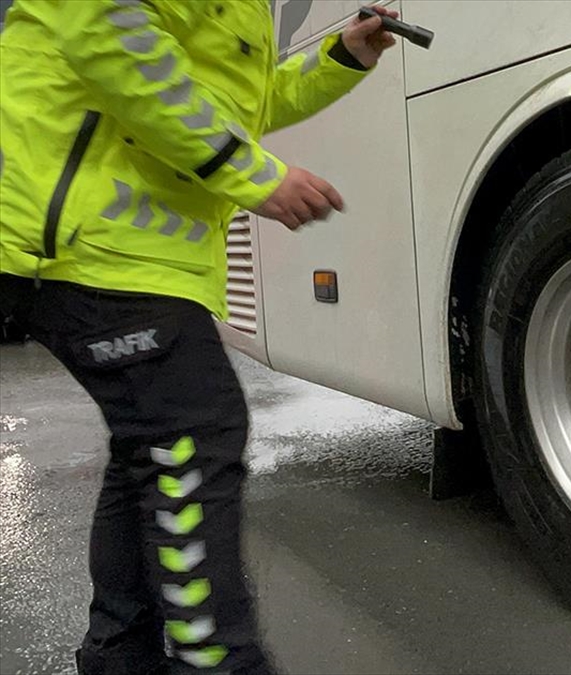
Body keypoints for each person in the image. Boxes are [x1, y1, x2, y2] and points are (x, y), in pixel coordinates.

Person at [0, 2, 399, 673]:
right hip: (81, 240)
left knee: (150, 448)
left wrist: (342, 59)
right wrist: (255, 177)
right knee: (196, 428)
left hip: (123, 250)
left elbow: (241, 102)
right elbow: (108, 33)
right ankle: (217, 661)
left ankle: (119, 654)